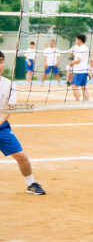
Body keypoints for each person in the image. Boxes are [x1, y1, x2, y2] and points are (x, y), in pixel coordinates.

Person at [0, 50, 46, 195]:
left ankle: (31, 184)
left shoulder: (9, 84)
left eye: (1, 61)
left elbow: (9, 109)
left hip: (1, 126)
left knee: (21, 156)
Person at [69, 34, 90, 101]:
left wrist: (72, 63)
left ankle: (77, 101)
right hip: (85, 70)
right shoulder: (86, 48)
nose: (76, 41)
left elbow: (78, 60)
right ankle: (87, 101)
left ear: (79, 40)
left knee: (74, 86)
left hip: (79, 71)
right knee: (84, 87)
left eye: (77, 40)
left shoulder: (80, 48)